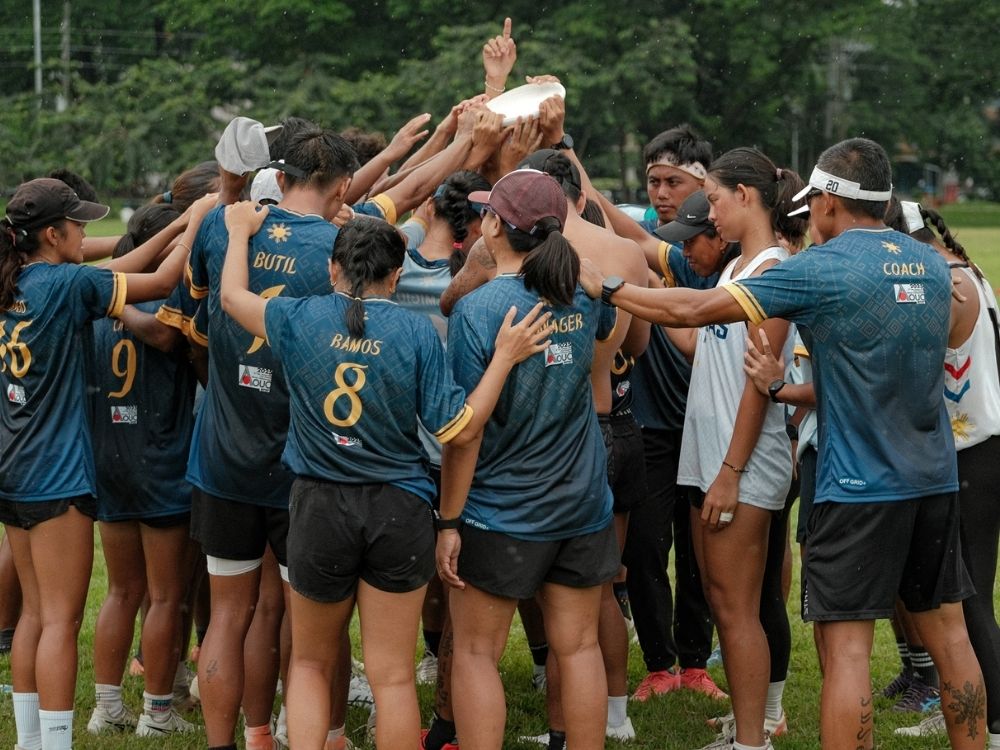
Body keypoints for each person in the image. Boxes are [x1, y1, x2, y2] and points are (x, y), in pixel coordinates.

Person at [582, 137, 985, 750]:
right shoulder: (933, 266)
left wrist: (607, 288)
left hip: (856, 487)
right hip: (933, 477)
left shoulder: (818, 268)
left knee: (846, 650)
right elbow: (941, 340)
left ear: (827, 201)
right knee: (951, 636)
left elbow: (696, 308)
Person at [219, 206, 549, 750]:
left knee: (308, 664)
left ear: (332, 269)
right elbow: (460, 430)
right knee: (392, 675)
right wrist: (503, 359)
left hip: (320, 508)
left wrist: (236, 233)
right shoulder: (417, 333)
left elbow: (232, 298)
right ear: (395, 276)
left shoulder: (297, 317)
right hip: (399, 512)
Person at [0, 176, 195, 750]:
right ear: (55, 234)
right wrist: (198, 222)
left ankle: (31, 740)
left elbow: (120, 259)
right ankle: (54, 746)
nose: (87, 231)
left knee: (35, 616)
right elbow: (157, 281)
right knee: (59, 621)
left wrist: (178, 222)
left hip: (12, 468)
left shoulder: (18, 280)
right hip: (55, 476)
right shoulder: (65, 285)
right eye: (79, 224)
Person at [185, 127, 359, 750]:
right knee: (314, 624)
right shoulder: (345, 245)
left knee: (229, 615)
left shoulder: (220, 227)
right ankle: (324, 734)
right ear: (342, 188)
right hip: (303, 467)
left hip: (224, 459)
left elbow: (200, 317)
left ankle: (239, 739)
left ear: (279, 179)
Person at [436, 169, 619, 750]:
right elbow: (604, 322)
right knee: (579, 647)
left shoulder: (480, 309)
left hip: (502, 510)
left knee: (474, 653)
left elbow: (466, 431)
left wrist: (447, 521)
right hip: (582, 502)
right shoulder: (586, 295)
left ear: (492, 225)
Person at [86, 202, 206, 737]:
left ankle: (105, 708)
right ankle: (157, 714)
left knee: (120, 591)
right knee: (164, 596)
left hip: (109, 456)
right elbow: (166, 337)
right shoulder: (165, 292)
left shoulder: (100, 294)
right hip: (160, 458)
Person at [887, 201, 1000, 747]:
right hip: (985, 448)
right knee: (973, 593)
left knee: (969, 596)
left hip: (969, 452)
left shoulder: (942, 282)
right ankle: (975, 708)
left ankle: (991, 722)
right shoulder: (966, 270)